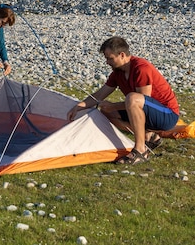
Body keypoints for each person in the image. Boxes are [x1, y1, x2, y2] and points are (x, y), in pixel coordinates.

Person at [67, 36, 180, 165]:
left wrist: (114, 106)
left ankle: (140, 149)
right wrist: (79, 106)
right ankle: (149, 136)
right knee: (105, 111)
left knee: (132, 98)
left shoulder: (141, 68)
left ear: (122, 55)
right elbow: (100, 94)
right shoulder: (118, 72)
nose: (107, 62)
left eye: (110, 58)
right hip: (146, 112)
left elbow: (143, 101)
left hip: (167, 114)